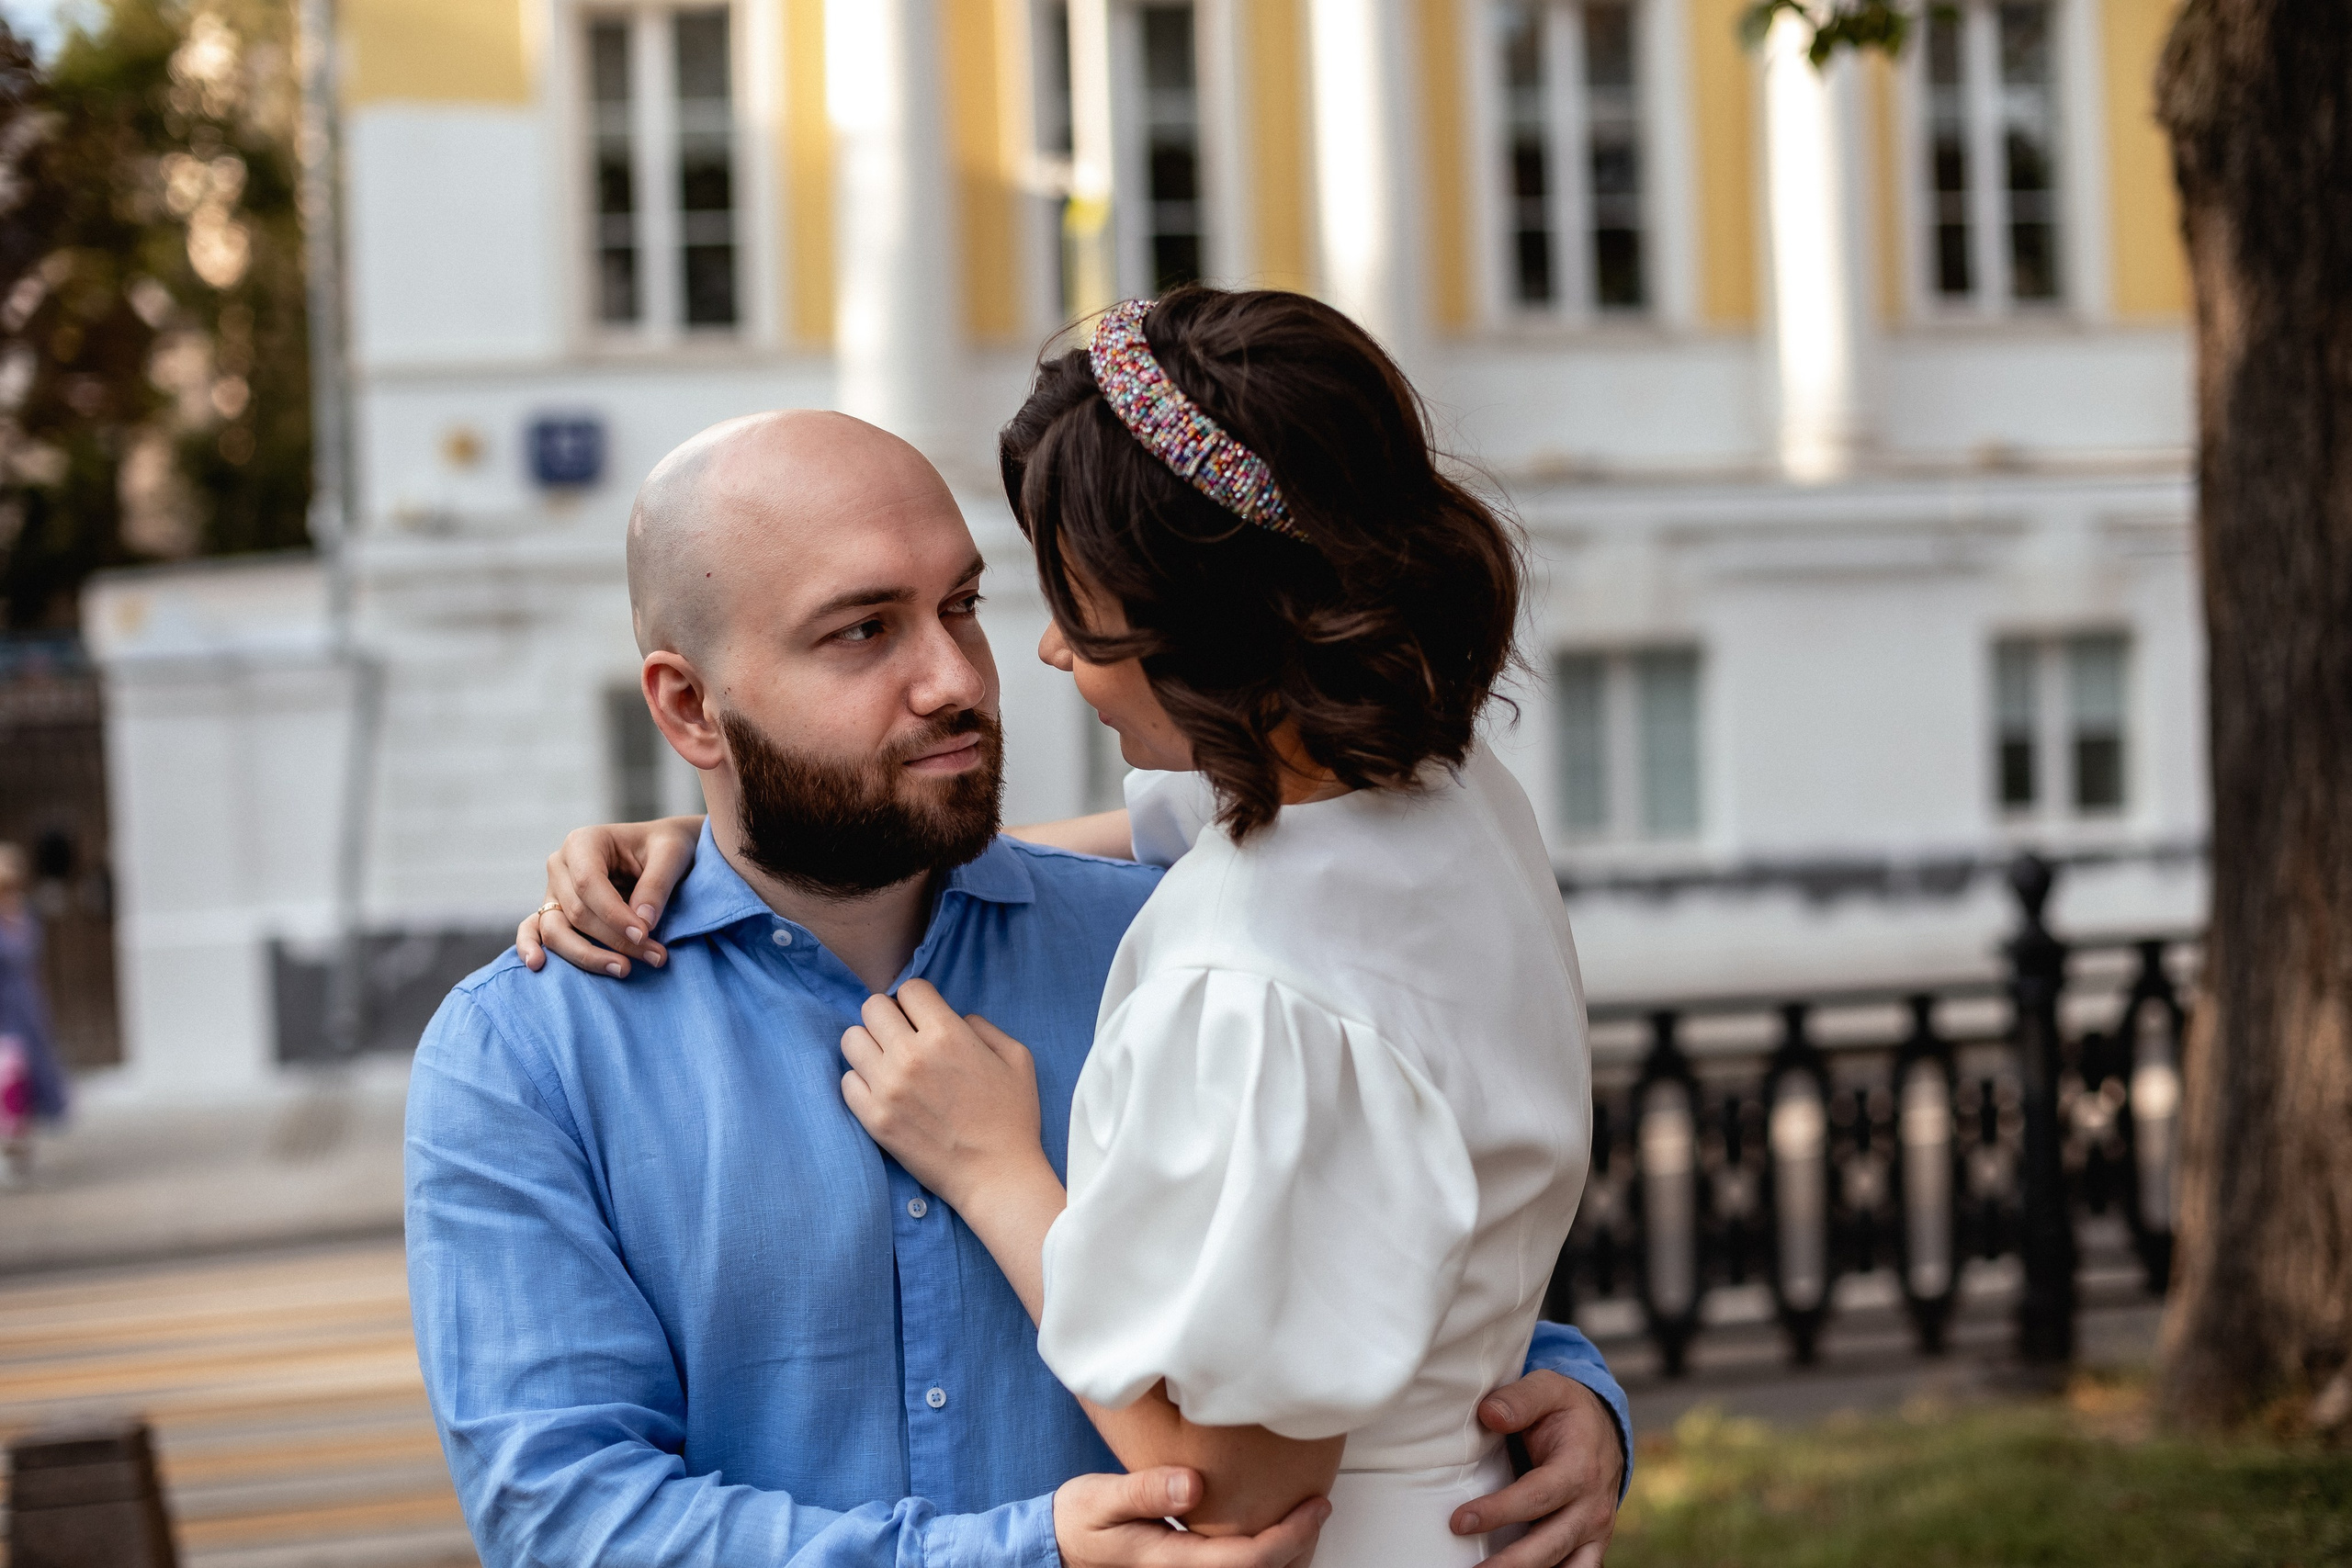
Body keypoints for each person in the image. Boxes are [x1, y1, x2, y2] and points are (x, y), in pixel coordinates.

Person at [412, 404, 1628, 1568]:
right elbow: (564, 1517)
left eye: (962, 604)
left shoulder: (1182, 951)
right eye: (863, 630)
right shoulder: (530, 1051)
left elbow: (1386, 1242)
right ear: (690, 706)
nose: (958, 677)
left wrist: (1566, 1386)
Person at [0, 841, 70, 1185]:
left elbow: (32, 960)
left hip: (26, 1006)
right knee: (8, 1081)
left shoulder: (23, 913)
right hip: (3, 1012)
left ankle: (19, 1150)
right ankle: (11, 1150)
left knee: (26, 1082)